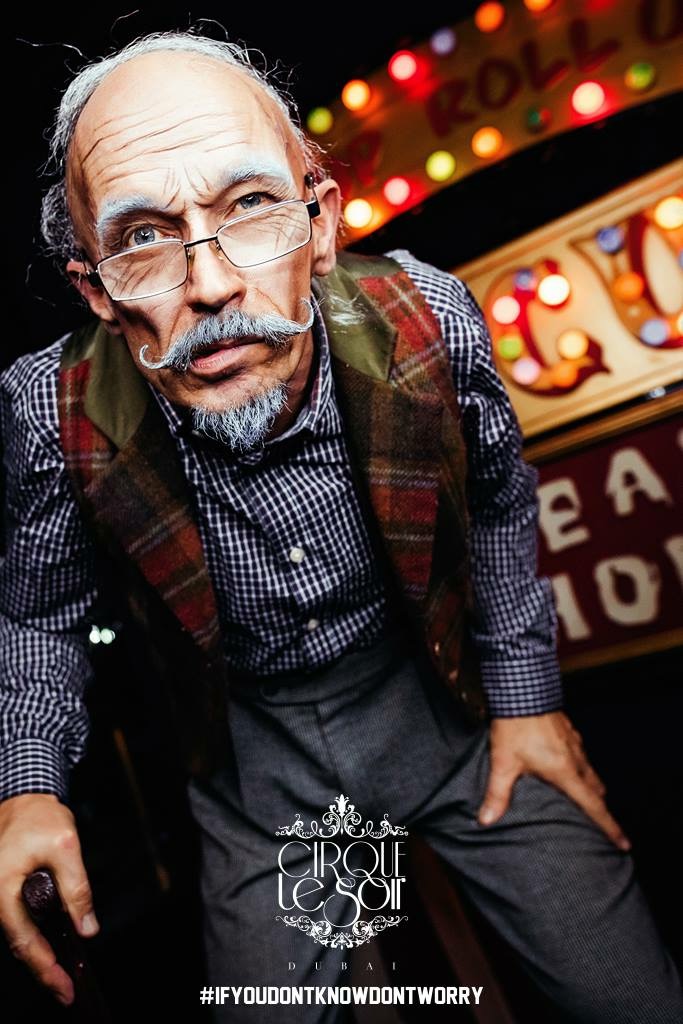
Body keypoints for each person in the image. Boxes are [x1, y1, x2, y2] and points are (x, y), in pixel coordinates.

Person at [0, 29, 681, 1024]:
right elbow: (40, 617)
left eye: (250, 206)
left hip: (447, 714)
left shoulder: (431, 318)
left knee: (627, 995)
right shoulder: (49, 411)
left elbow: (498, 502)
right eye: (142, 236)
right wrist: (27, 787)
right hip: (257, 772)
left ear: (319, 224)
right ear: (96, 290)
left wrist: (526, 702)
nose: (212, 287)